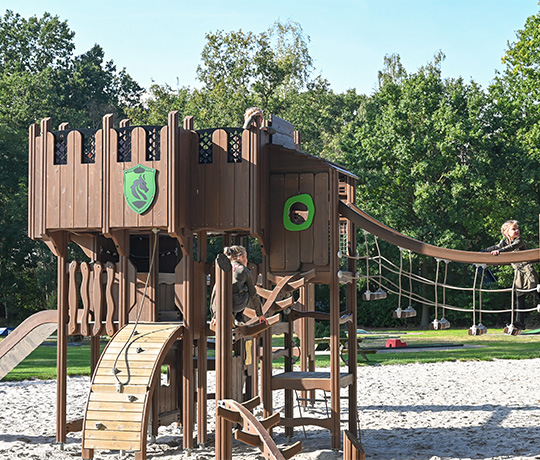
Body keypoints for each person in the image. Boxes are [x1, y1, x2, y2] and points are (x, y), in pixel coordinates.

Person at [486, 220, 539, 329]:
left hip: (527, 268)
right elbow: (494, 248)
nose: (517, 231)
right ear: (506, 232)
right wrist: (480, 253)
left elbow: (512, 247)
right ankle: (521, 322)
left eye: (517, 229)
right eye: (513, 229)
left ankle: (521, 321)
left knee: (535, 290)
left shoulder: (519, 240)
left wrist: (500, 251)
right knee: (520, 297)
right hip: (518, 271)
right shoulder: (504, 242)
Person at [210, 245, 267, 327]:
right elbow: (253, 294)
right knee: (248, 289)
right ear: (240, 257)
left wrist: (214, 315)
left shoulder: (222, 269)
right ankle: (238, 317)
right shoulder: (243, 270)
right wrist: (260, 314)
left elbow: (214, 292)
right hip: (237, 304)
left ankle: (232, 316)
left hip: (222, 303)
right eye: (246, 257)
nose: (247, 260)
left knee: (221, 290)